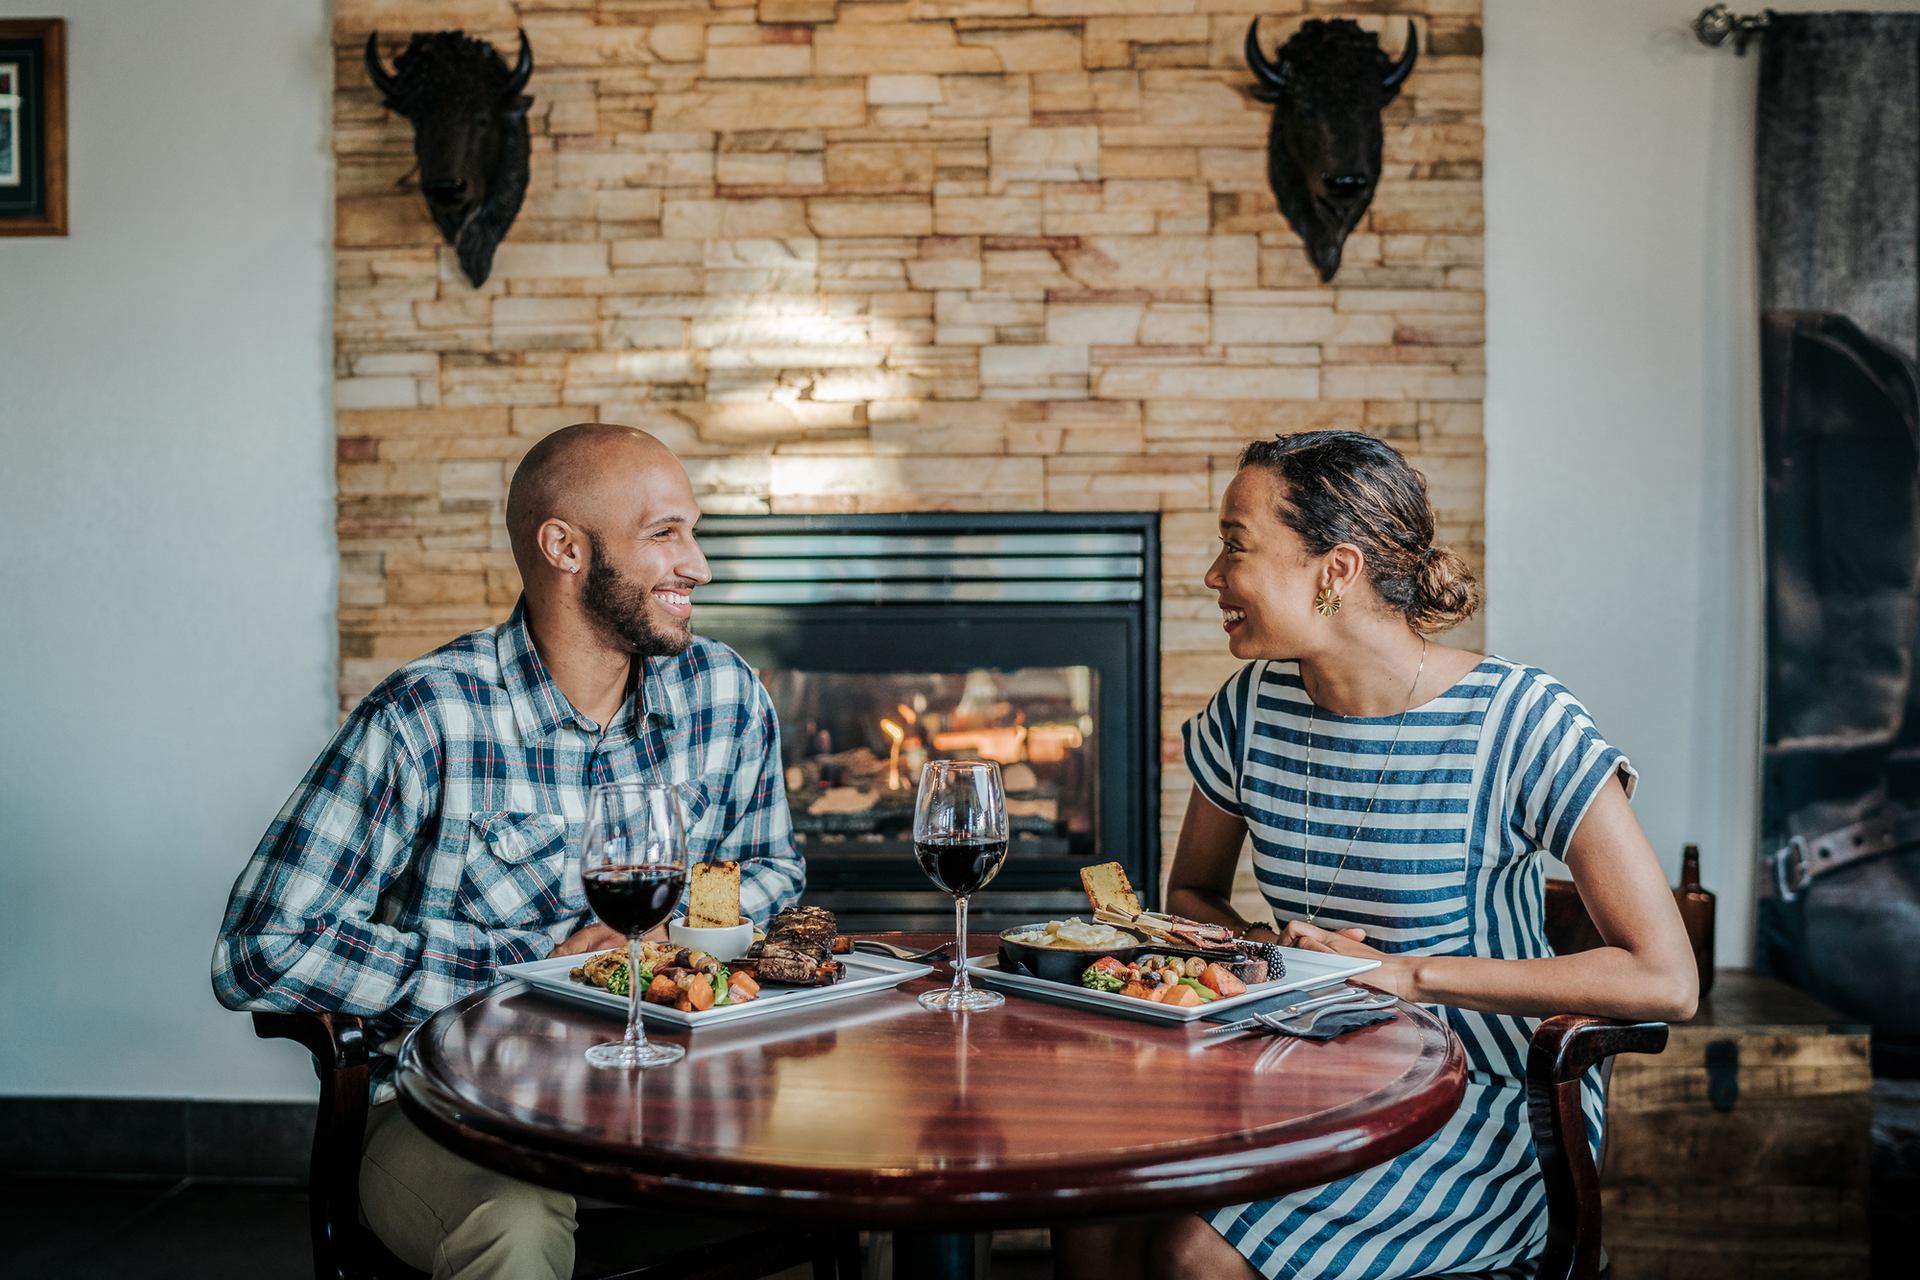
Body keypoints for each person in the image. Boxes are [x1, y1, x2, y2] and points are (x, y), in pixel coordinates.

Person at [1055, 430, 1698, 1280]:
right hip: (1298, 1079)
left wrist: (1405, 973)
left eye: (1235, 546)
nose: (1213, 574)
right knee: (1090, 1206)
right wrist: (1265, 953)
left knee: (1189, 1251)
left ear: (1336, 570)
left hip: (1471, 1108)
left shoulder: (1519, 720)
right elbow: (1194, 893)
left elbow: (1666, 979)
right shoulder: (1249, 709)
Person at [212, 423, 805, 1280]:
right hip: (455, 1108)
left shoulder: (725, 693)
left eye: (694, 531)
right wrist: (535, 966)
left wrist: (679, 927)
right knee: (514, 1232)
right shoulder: (426, 718)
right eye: (665, 534)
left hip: (687, 1088)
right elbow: (260, 948)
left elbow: (773, 871)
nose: (699, 566)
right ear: (564, 547)